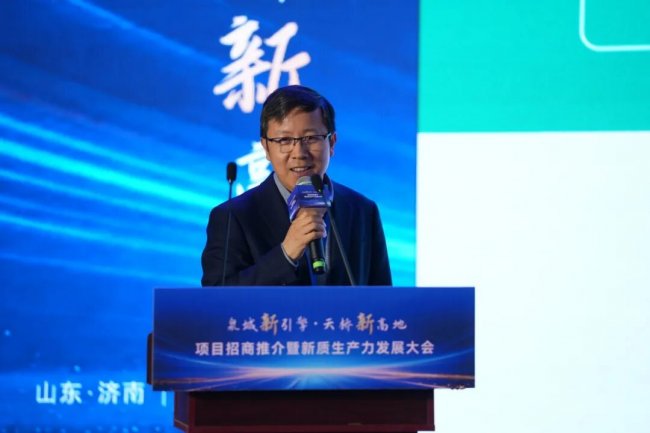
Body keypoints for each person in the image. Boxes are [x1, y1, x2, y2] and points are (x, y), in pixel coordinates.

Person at [201, 85, 392, 286]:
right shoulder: (232, 217)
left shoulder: (363, 211)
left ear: (332, 143)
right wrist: (286, 254)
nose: (299, 153)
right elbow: (218, 297)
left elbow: (382, 297)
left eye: (311, 138)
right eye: (284, 140)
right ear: (266, 148)